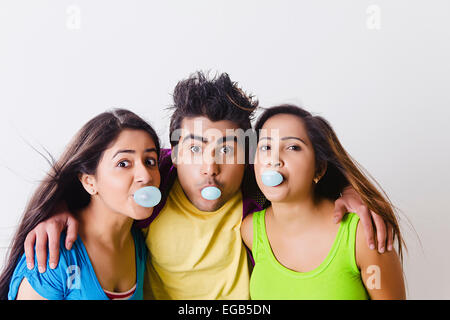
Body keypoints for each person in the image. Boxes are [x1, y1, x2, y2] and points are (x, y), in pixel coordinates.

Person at [19, 72, 394, 300]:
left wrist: (349, 190)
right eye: (195, 149)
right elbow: (105, 175)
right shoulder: (156, 180)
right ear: (175, 153)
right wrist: (58, 208)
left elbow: (302, 171)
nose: (209, 167)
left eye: (227, 150)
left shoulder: (257, 191)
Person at [241, 105, 406, 299]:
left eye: (293, 147)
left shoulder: (363, 235)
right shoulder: (250, 231)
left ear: (319, 169)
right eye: (266, 147)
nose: (274, 160)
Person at [0, 109, 161, 300]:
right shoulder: (52, 255)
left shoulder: (139, 243)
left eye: (150, 161)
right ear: (89, 182)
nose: (146, 176)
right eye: (123, 164)